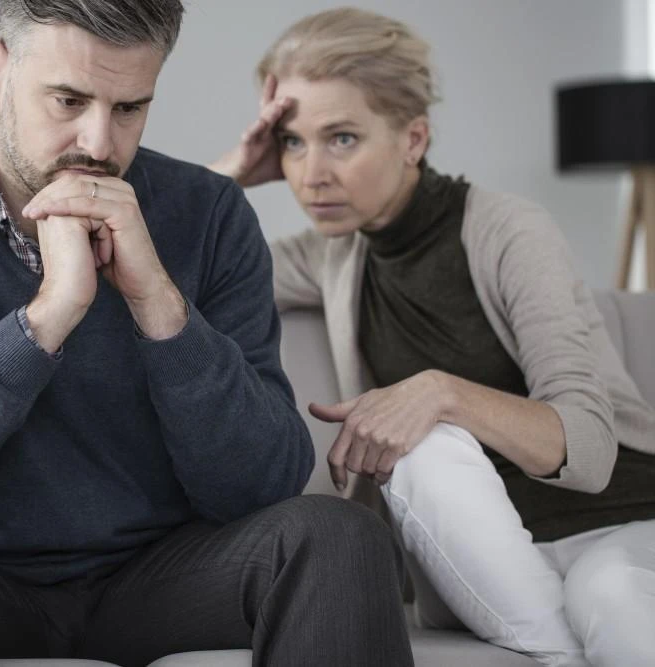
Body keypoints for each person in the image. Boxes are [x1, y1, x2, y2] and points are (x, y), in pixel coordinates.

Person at [0, 2, 415, 666]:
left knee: (341, 536)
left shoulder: (210, 214)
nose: (98, 142)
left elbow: (264, 482)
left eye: (129, 109)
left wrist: (160, 306)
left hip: (162, 577)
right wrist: (46, 318)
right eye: (68, 99)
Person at [209, 7, 655, 667]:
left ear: (413, 138)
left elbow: (588, 449)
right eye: (293, 143)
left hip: (616, 524)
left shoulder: (509, 231)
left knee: (615, 597)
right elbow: (170, 266)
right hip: (483, 565)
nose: (310, 174)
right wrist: (232, 174)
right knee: (420, 444)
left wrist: (442, 392)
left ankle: (559, 653)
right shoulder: (328, 257)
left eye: (341, 138)